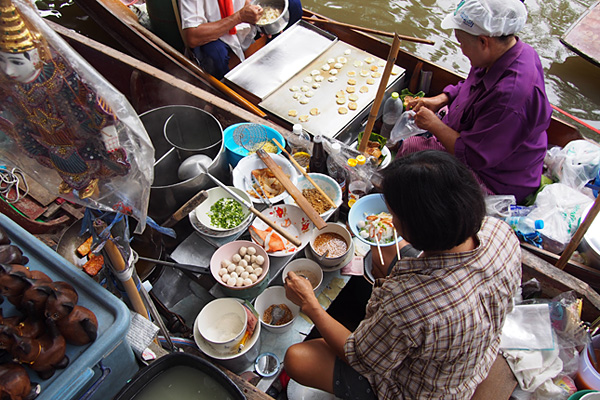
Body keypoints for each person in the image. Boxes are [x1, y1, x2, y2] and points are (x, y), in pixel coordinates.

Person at [283, 150, 522, 399]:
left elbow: (360, 357)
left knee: (296, 359)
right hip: (468, 364)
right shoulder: (500, 232)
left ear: (416, 229)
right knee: (384, 254)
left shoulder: (410, 304)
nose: (392, 221)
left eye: (394, 216)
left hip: (417, 391)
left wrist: (311, 306)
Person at [397, 0, 552, 204]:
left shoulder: (511, 96)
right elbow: (470, 85)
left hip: (496, 178)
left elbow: (473, 156)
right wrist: (441, 98)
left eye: (461, 42)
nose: (461, 49)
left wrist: (433, 124)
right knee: (410, 147)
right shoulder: (503, 54)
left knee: (410, 162)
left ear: (483, 42)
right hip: (480, 140)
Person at [0, 0, 130, 199]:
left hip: (76, 133)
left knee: (89, 160)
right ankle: (77, 182)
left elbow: (91, 100)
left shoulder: (60, 76)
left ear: (36, 56)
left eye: (16, 62)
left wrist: (107, 130)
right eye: (2, 61)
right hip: (47, 136)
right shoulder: (12, 86)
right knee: (60, 161)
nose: (9, 70)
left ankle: (91, 183)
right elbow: (17, 116)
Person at [180, 0, 303, 80]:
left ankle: (275, 61)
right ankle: (225, 94)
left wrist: (266, 18)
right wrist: (239, 17)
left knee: (294, 6)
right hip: (216, 35)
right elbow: (193, 36)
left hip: (247, 25)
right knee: (214, 54)